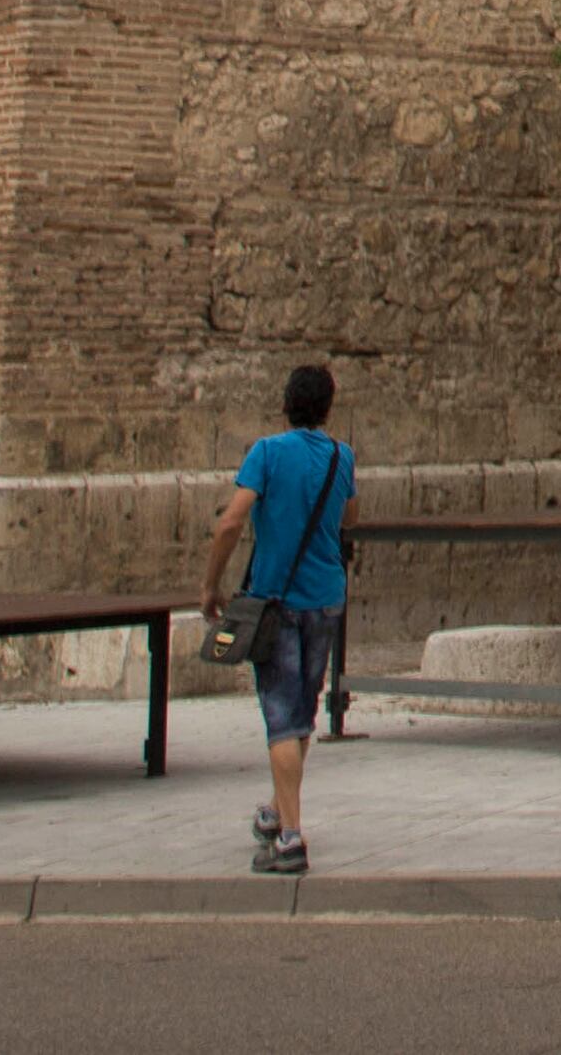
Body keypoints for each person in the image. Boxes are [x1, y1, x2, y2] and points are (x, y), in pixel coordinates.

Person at [198, 363, 351, 877]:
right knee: (302, 712)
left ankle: (289, 837)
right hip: (326, 598)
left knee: (282, 718)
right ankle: (275, 810)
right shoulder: (341, 457)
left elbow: (231, 522)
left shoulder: (266, 453)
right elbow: (349, 518)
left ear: (286, 403)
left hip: (276, 602)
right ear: (327, 408)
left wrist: (210, 585)